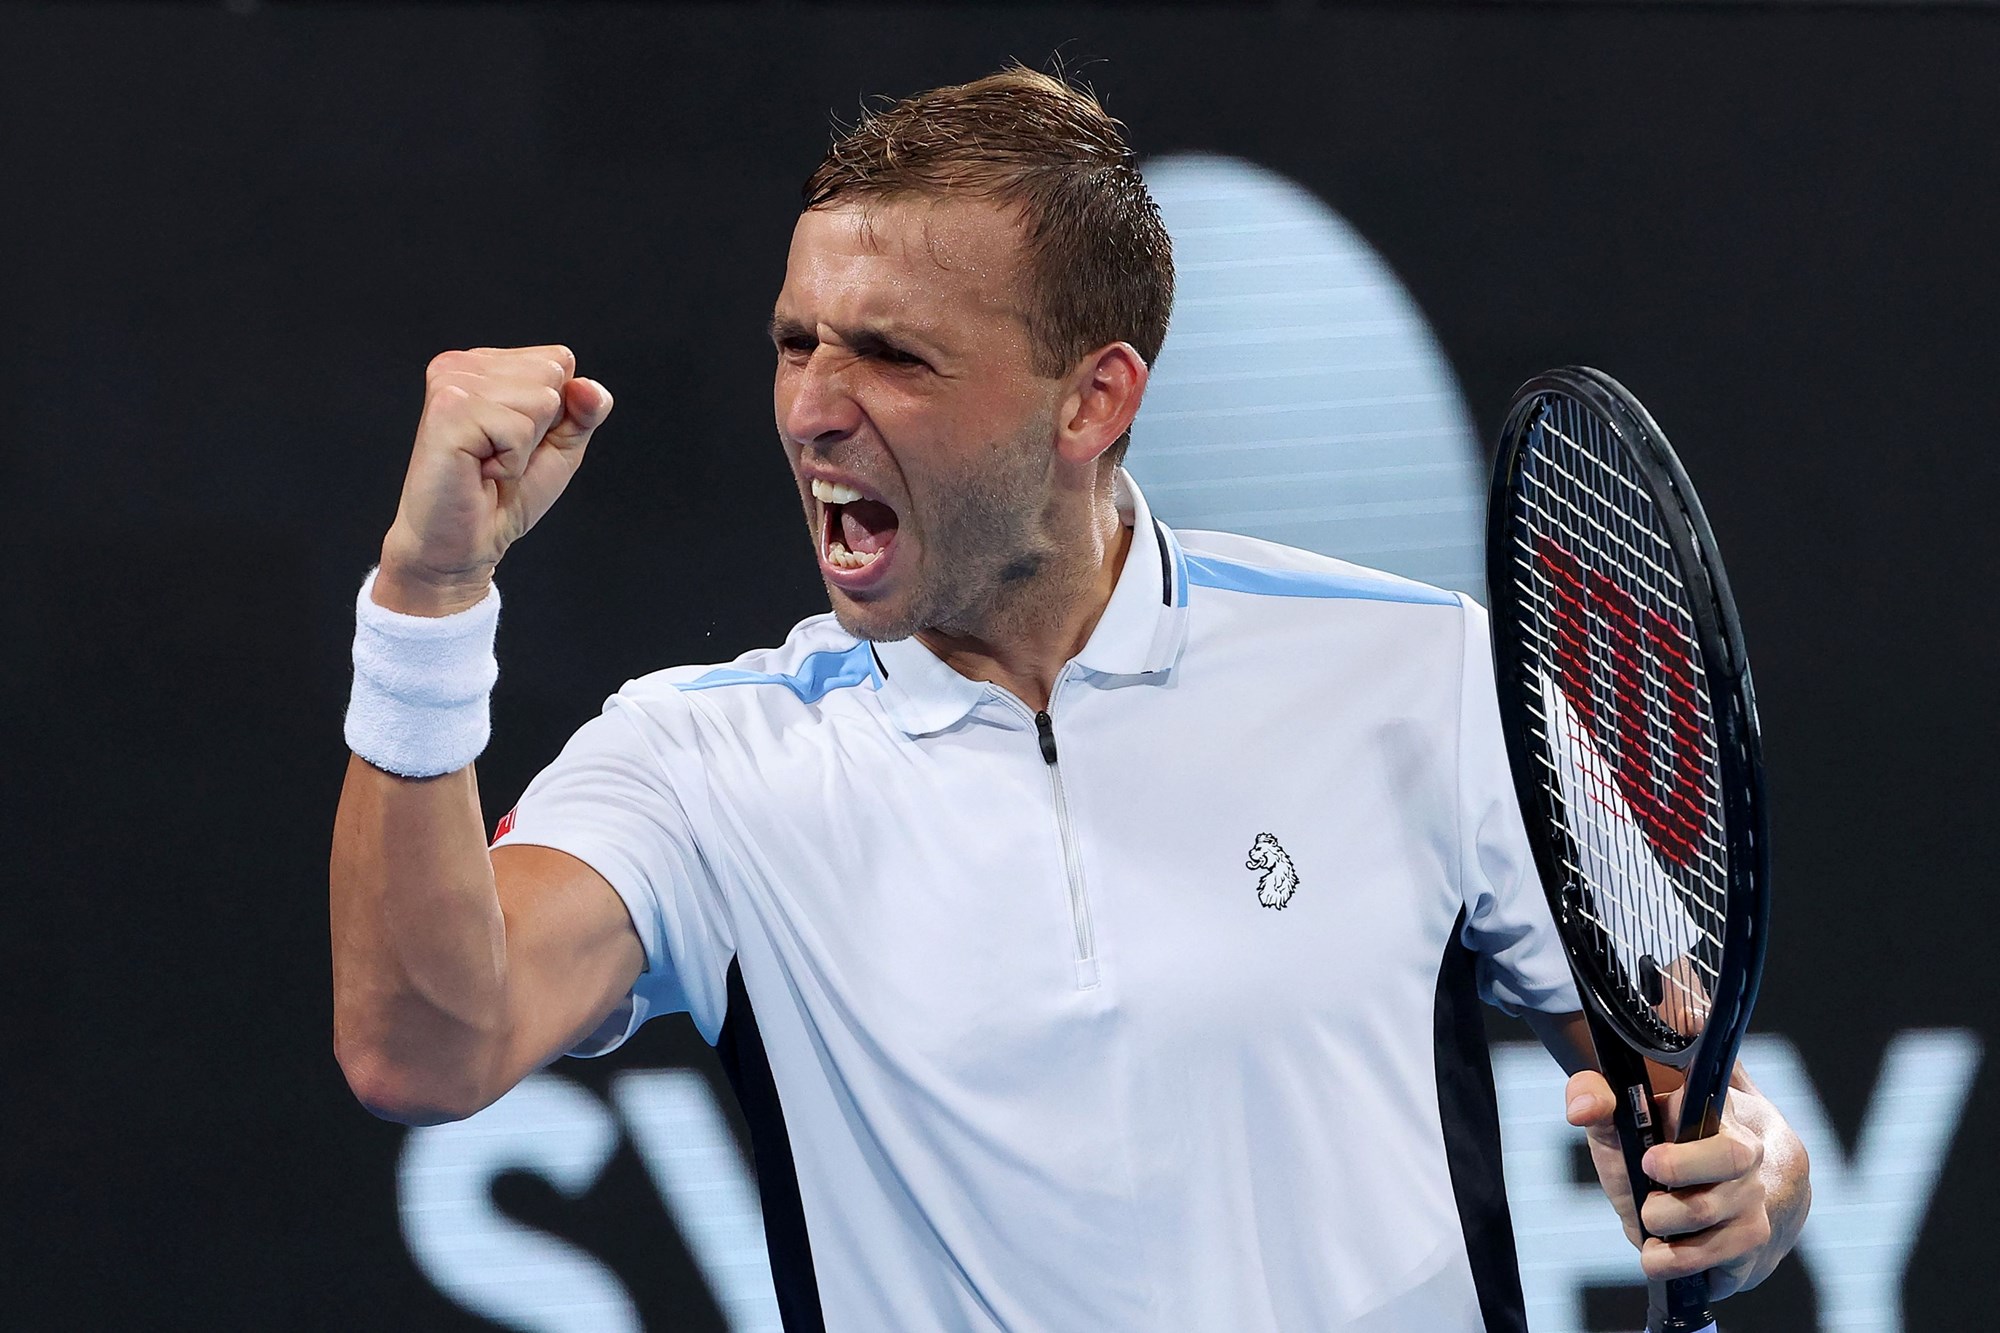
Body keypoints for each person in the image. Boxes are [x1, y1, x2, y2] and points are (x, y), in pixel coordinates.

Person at [331, 66, 1808, 1332]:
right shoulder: (705, 760)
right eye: (797, 341)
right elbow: (424, 1043)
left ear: (1092, 399)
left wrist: (1748, 1178)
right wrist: (429, 600)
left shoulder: (1423, 670)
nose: (811, 407)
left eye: (892, 353)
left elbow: (1692, 1087)